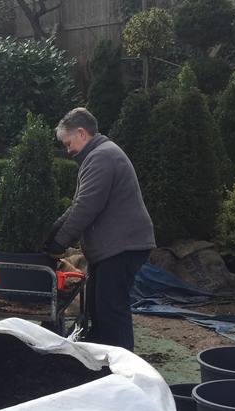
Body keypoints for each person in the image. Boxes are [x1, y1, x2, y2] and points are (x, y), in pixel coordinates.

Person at [46, 107, 155, 352]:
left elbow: (86, 208)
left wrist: (58, 244)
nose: (68, 150)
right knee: (97, 305)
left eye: (68, 143)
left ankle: (122, 367)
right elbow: (77, 205)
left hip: (122, 247)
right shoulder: (98, 155)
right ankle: (99, 356)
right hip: (113, 248)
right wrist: (52, 232)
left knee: (111, 309)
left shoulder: (101, 157)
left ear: (82, 134)